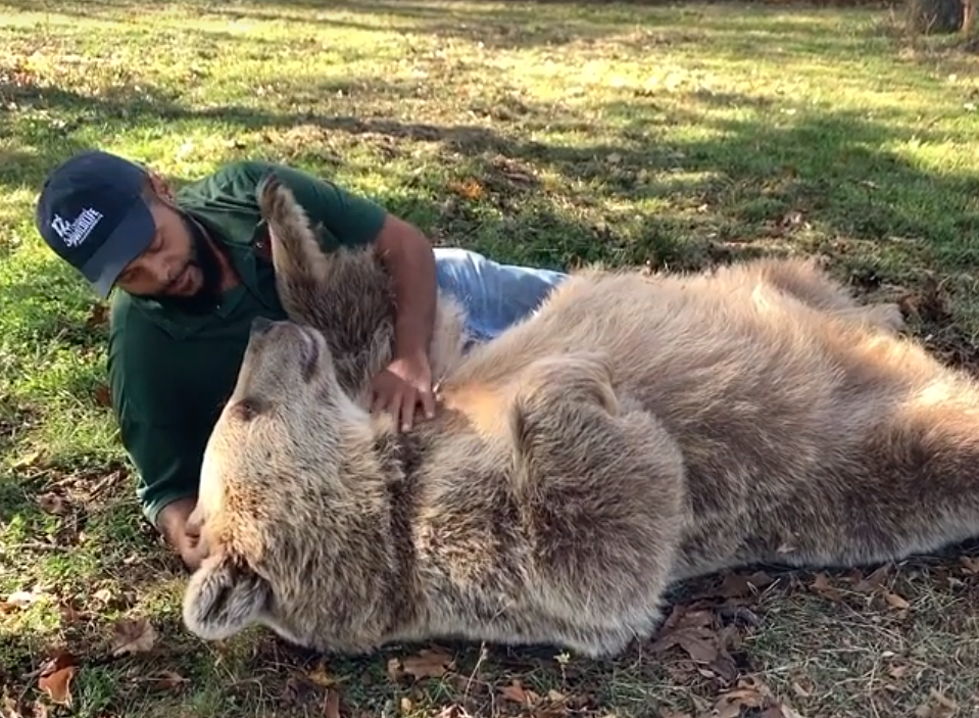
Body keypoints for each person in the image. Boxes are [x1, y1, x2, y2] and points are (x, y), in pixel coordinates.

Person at [33, 150, 568, 571]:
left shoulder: (247, 191)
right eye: (131, 273)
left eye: (152, 242)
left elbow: (403, 243)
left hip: (411, 307)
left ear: (161, 189)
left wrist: (409, 355)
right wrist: (182, 532)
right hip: (363, 413)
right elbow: (165, 487)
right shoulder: (143, 347)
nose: (160, 271)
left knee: (574, 304)